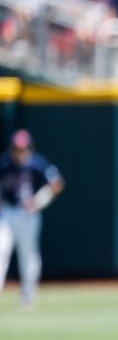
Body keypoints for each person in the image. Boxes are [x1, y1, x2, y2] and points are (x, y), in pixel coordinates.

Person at [0, 129, 65, 308]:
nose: (20, 152)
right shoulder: (4, 163)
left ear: (29, 147)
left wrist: (38, 202)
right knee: (1, 250)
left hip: (28, 215)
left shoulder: (37, 163)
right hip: (7, 212)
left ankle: (27, 295)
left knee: (28, 255)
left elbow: (57, 183)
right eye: (17, 148)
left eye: (23, 148)